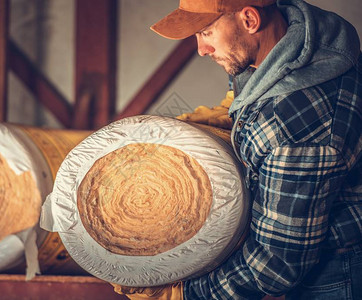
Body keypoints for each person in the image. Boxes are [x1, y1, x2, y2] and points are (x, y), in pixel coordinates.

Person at [113, 0, 362, 299]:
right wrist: (232, 109)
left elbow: (274, 265)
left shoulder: (294, 132)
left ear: (249, 19)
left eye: (206, 32)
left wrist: (182, 294)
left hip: (337, 274)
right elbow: (260, 87)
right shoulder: (307, 40)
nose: (201, 50)